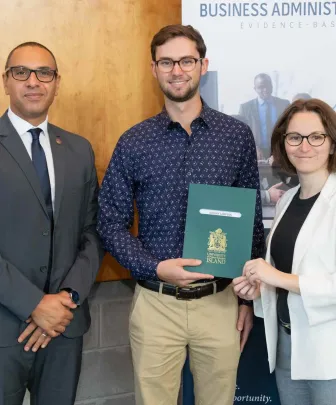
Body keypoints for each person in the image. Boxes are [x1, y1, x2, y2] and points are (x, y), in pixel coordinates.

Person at [97, 24, 264, 405]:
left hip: (220, 303)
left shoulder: (235, 136)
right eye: (167, 62)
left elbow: (252, 223)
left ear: (203, 65)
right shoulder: (134, 141)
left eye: (186, 60)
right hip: (156, 304)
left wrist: (245, 301)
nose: (177, 70)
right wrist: (153, 267)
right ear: (153, 69)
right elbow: (109, 223)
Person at [0, 42, 103, 405]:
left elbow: (92, 231)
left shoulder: (78, 149)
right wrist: (33, 304)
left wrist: (66, 298)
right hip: (4, 328)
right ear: (6, 81)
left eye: (44, 73)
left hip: (64, 326)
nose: (33, 81)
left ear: (56, 82)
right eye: (21, 72)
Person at [233, 98, 336, 405]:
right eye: (294, 137)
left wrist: (273, 275)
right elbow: (285, 272)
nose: (305, 146)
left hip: (328, 352)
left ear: (332, 144)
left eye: (316, 136)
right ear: (283, 144)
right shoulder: (287, 200)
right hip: (287, 347)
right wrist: (258, 287)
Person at [239, 73, 290, 159]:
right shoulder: (245, 108)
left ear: (272, 86)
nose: (265, 89)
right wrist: (253, 147)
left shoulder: (284, 104)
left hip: (280, 151)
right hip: (256, 153)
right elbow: (242, 133)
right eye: (261, 87)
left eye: (268, 86)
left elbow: (290, 128)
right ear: (255, 89)